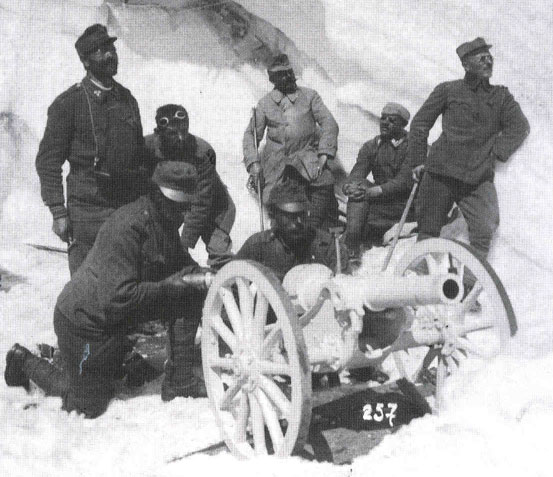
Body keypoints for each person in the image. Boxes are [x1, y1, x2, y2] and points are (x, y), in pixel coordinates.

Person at [5, 162, 210, 417]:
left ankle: (180, 381)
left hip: (115, 320)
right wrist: (169, 287)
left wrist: (205, 276)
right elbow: (118, 298)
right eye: (179, 206)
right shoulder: (128, 226)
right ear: (159, 197)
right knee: (87, 405)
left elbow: (180, 264)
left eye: (187, 207)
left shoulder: (163, 220)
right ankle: (25, 361)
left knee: (189, 290)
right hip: (84, 324)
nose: (184, 215)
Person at [36, 24, 147, 275]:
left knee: (126, 282)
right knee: (86, 286)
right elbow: (48, 162)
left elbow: (139, 155)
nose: (110, 55)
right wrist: (58, 211)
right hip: (87, 214)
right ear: (85, 61)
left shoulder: (127, 100)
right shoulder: (69, 104)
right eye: (100, 51)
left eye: (111, 48)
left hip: (124, 209)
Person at [409, 38, 529, 266]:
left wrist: (496, 152)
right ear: (466, 65)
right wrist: (417, 161)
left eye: (489, 57)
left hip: (477, 178)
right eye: (481, 58)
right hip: (440, 173)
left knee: (484, 229)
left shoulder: (501, 97)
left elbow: (520, 127)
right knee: (428, 230)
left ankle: (469, 283)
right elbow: (420, 124)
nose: (488, 62)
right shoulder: (448, 90)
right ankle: (420, 277)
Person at [243, 53, 340, 230]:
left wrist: (324, 154)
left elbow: (329, 124)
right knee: (274, 204)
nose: (288, 76)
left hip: (306, 159)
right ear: (272, 78)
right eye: (282, 74)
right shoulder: (265, 104)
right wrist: (253, 163)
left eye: (289, 71)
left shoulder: (309, 96)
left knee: (324, 184)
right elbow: (251, 135)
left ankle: (313, 230)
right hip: (276, 164)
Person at [145, 104, 235, 268]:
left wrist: (185, 242)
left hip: (213, 207)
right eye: (173, 134)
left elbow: (202, 203)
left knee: (219, 252)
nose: (181, 138)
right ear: (159, 133)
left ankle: (227, 278)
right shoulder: (146, 149)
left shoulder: (204, 152)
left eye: (184, 131)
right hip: (170, 204)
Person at [342, 102, 415, 262]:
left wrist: (370, 192)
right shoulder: (372, 146)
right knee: (359, 187)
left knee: (360, 208)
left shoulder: (413, 146)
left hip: (404, 204)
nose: (385, 123)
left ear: (403, 125)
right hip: (380, 202)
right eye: (383, 118)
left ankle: (351, 244)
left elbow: (403, 182)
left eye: (392, 120)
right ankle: (352, 247)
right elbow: (358, 172)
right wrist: (349, 187)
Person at [235, 179, 347, 281]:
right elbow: (231, 280)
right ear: (273, 216)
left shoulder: (327, 246)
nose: (298, 222)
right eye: (290, 216)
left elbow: (344, 286)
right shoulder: (258, 246)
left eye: (302, 214)